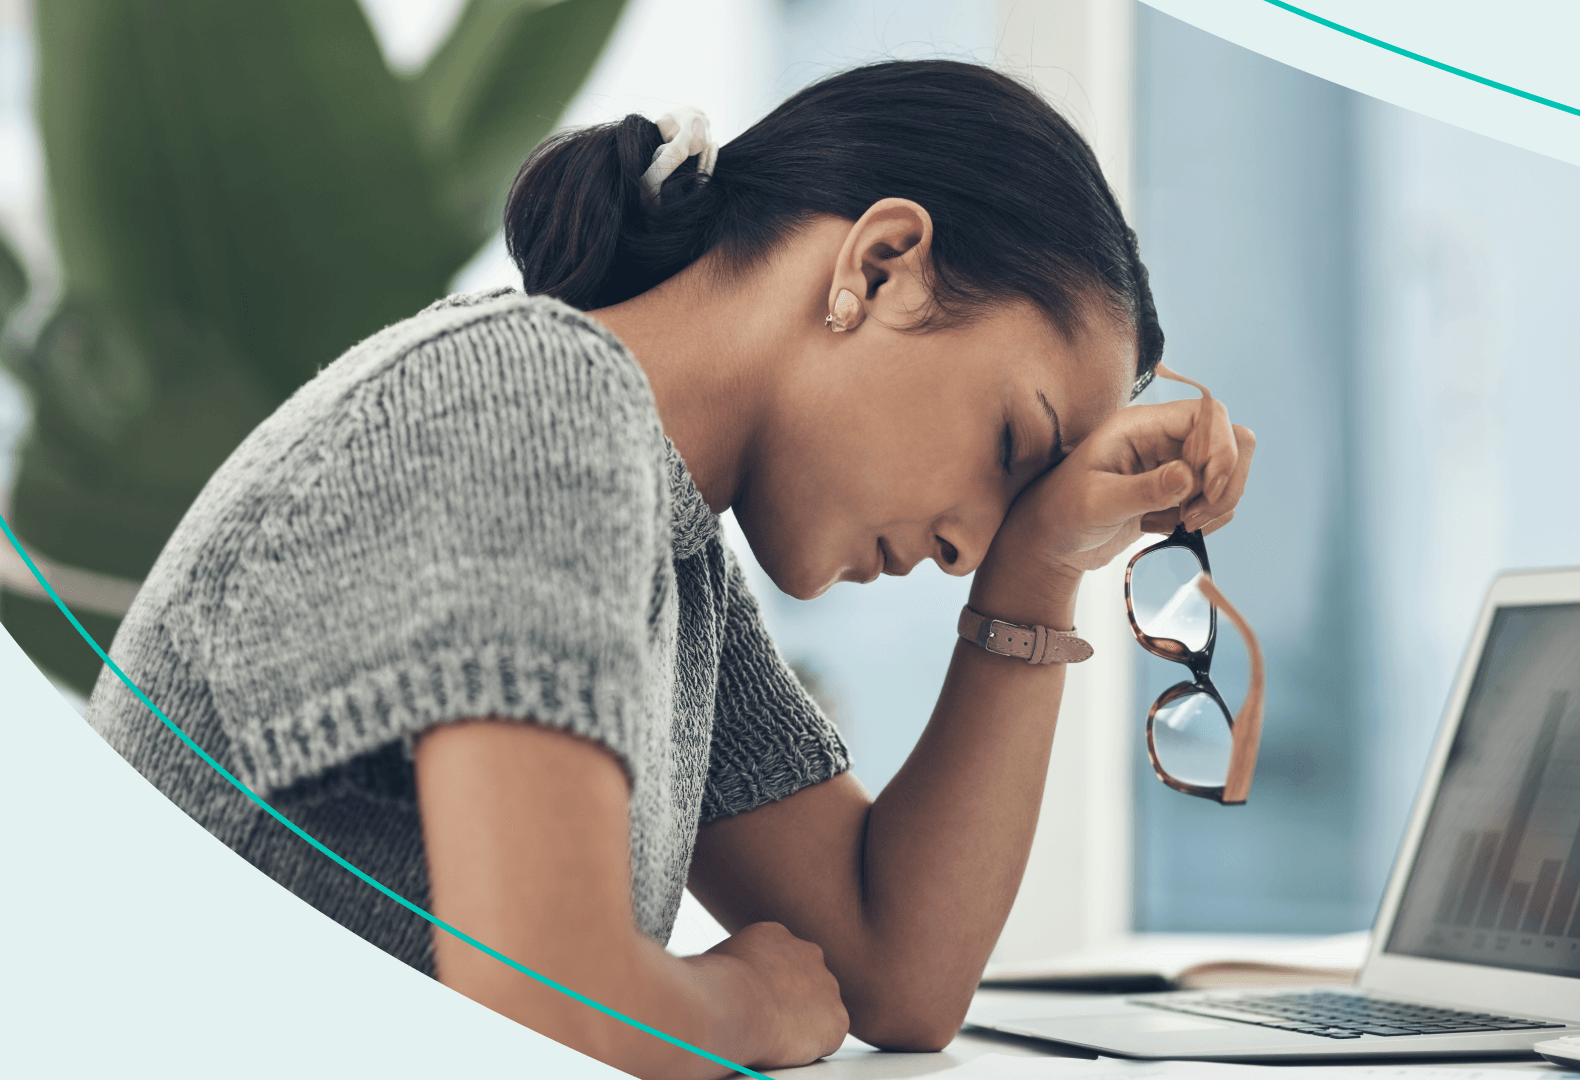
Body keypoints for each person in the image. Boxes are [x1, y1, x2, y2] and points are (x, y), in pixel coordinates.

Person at [86, 59, 1253, 1079]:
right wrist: (740, 1003)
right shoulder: (533, 395)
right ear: (884, 265)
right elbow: (546, 1013)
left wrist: (1042, 568)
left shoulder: (674, 552)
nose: (970, 546)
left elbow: (895, 972)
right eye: (1011, 448)